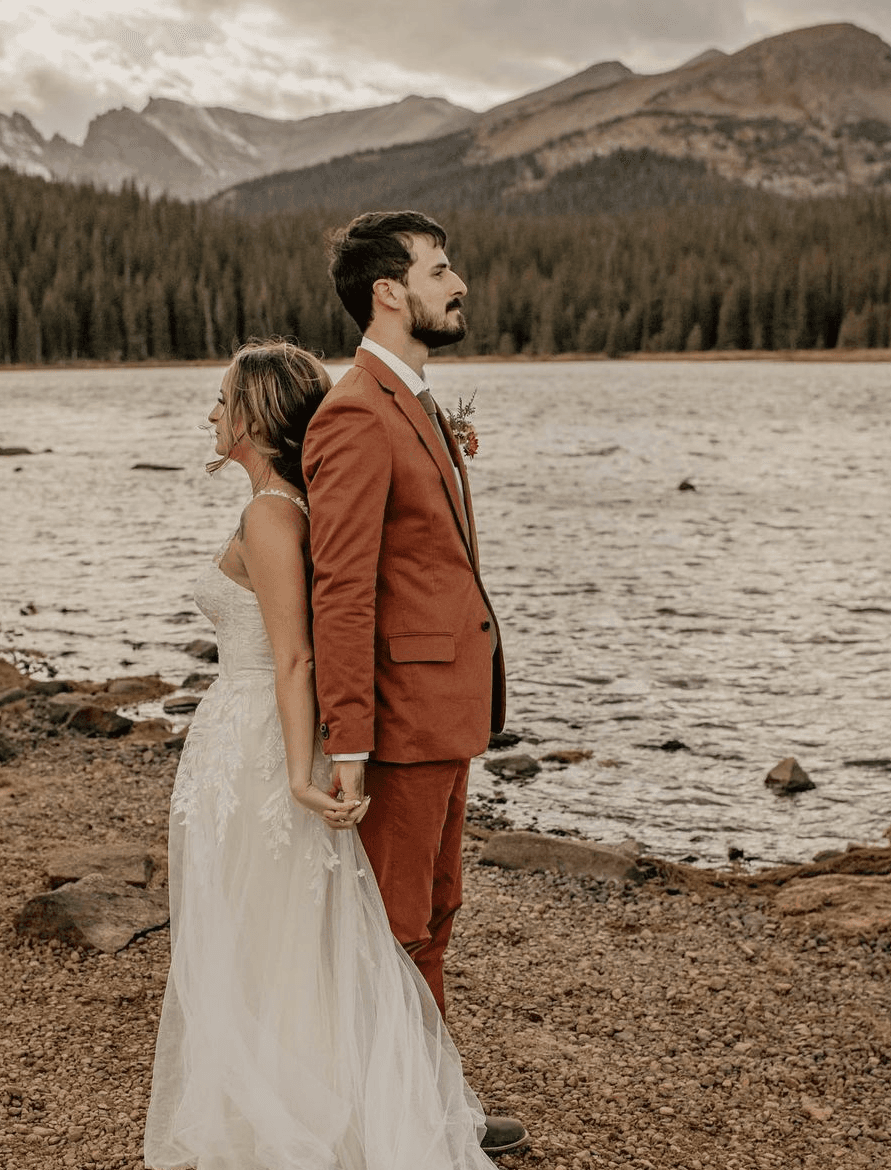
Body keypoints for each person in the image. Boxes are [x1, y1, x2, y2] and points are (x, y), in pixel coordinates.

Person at [143, 339, 496, 1170]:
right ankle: (286, 1087)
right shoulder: (281, 505)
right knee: (270, 932)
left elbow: (295, 655)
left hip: (265, 743)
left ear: (256, 414)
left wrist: (301, 777)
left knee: (276, 931)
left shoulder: (271, 513)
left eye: (222, 397)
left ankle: (309, 1109)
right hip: (245, 737)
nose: (210, 412)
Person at [302, 212, 526, 1156]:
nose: (460, 284)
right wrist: (347, 742)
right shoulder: (356, 410)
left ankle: (429, 1102)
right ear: (389, 292)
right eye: (442, 270)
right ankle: (382, 1124)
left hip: (446, 713)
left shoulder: (417, 400)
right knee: (392, 925)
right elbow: (341, 590)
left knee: (435, 912)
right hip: (397, 723)